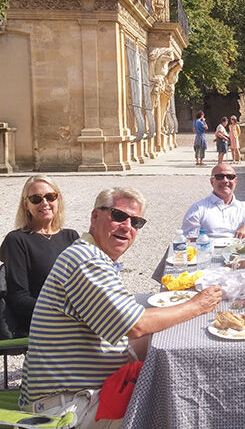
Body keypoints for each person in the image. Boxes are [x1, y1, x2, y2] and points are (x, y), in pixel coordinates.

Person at [19, 187, 222, 427]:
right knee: (179, 408)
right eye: (118, 216)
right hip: (65, 406)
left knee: (171, 358)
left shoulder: (94, 256)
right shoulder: (86, 261)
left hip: (85, 389)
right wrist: (196, 305)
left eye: (136, 221)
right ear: (95, 217)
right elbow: (135, 326)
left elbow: (128, 313)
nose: (127, 226)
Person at [0, 176, 78, 337]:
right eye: (36, 199)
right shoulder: (17, 240)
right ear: (26, 205)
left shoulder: (71, 237)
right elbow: (19, 297)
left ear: (58, 200)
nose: (45, 203)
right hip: (43, 325)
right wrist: (64, 314)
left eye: (50, 197)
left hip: (79, 319)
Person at [181, 163, 245, 240]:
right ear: (212, 182)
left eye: (230, 177)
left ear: (235, 181)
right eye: (220, 177)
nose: (225, 180)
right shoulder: (198, 209)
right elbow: (189, 240)